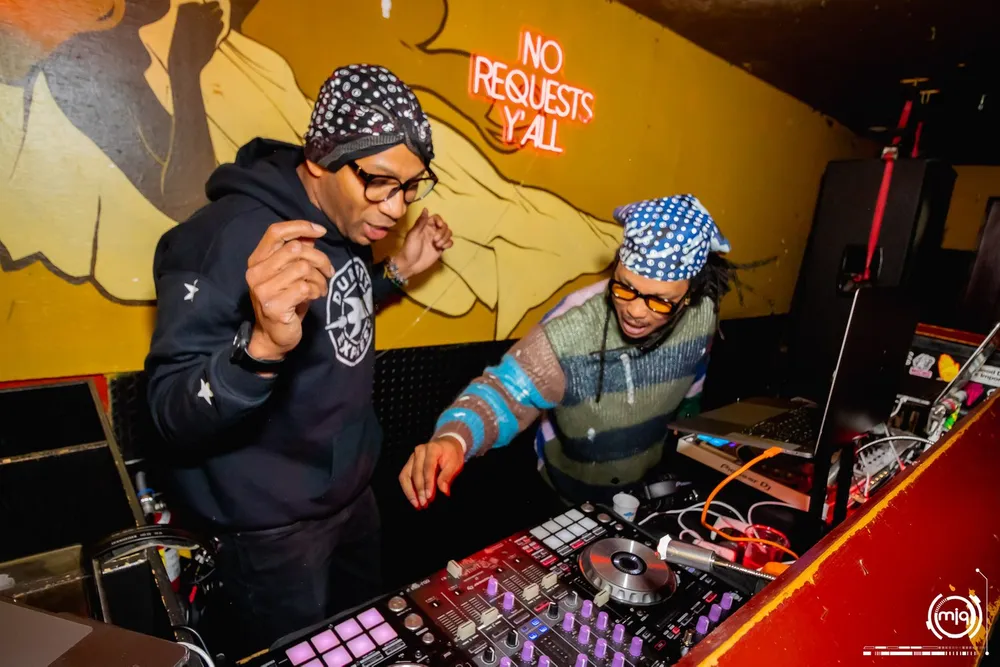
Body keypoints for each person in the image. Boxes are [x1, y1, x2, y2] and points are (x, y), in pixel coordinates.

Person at [145, 64, 452, 659]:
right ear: (319, 160)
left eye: (412, 186)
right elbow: (166, 411)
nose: (396, 208)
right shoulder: (221, 237)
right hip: (271, 532)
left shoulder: (350, 221)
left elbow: (332, 310)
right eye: (379, 182)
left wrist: (397, 273)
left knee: (368, 648)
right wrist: (260, 349)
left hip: (353, 498)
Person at [399, 194, 733, 507]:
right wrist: (454, 439)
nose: (635, 311)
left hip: (646, 484)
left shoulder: (704, 312)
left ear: (690, 295)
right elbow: (505, 393)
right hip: (566, 493)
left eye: (659, 301)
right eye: (625, 287)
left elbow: (694, 376)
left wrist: (687, 436)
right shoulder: (570, 331)